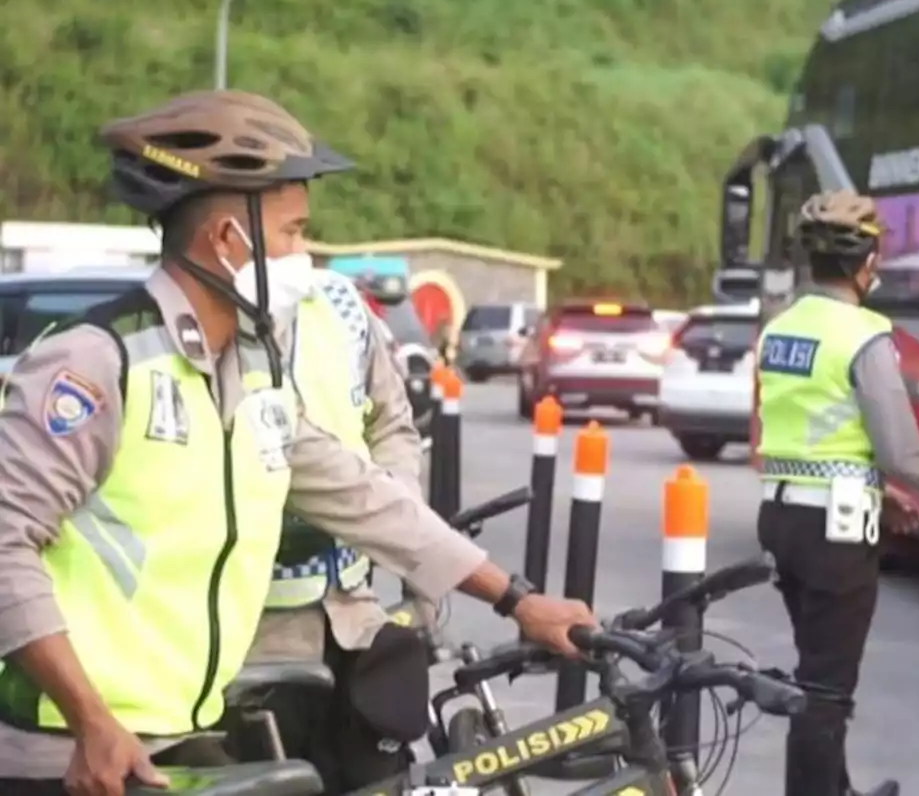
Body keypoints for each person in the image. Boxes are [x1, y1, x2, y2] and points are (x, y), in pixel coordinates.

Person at [0, 89, 595, 796]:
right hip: (67, 752)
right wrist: (91, 719)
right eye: (291, 233)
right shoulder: (99, 363)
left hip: (176, 737)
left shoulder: (252, 375)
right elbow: (6, 540)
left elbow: (369, 501)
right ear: (227, 239)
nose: (302, 257)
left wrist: (518, 599)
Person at [754, 190, 919, 796]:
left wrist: (876, 496)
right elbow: (901, 451)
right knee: (825, 689)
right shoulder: (863, 335)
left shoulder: (780, 329)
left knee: (817, 671)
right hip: (833, 535)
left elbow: (806, 438)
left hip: (780, 517)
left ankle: (838, 789)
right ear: (867, 262)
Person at [227, 261, 436, 793]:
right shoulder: (204, 317)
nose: (297, 248)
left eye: (300, 226)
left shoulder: (340, 306)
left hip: (351, 614)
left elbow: (391, 423)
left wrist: (393, 503)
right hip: (246, 634)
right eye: (284, 227)